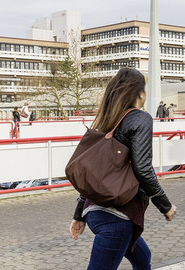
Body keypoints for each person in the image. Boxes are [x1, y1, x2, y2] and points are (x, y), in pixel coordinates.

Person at [69, 68, 177, 270]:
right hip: (117, 217)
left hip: (94, 211)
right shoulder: (140, 118)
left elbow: (92, 171)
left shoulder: (106, 119)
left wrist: (78, 215)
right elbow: (143, 169)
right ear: (140, 93)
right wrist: (165, 205)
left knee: (143, 259)